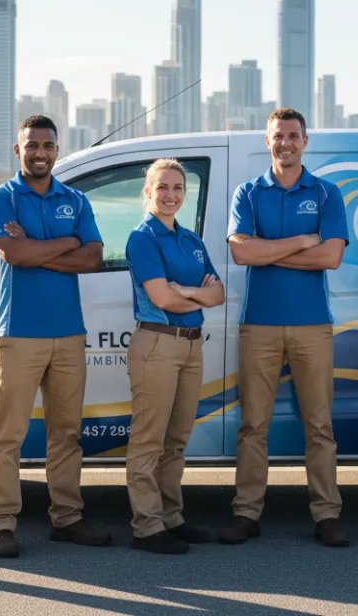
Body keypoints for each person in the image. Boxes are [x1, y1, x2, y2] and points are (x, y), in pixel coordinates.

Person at [219, 108, 351, 548]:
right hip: (259, 323)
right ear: (268, 140)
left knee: (319, 425)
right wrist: (299, 242)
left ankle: (327, 514)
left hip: (313, 325)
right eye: (278, 136)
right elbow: (241, 254)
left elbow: (330, 257)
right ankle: (246, 512)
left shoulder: (328, 194)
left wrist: (267, 251)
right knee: (253, 425)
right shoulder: (249, 193)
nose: (285, 143)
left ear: (305, 141)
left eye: (293, 136)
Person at [0, 114, 109, 559]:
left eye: (48, 145)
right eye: (31, 145)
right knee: (8, 434)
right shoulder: (1, 198)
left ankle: (67, 518)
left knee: (67, 433)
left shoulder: (74, 199)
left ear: (58, 150)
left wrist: (37, 250)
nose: (40, 152)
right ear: (19, 151)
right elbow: (12, 252)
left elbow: (93, 257)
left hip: (69, 334)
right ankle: (0, 523)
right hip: (18, 334)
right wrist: (63, 244)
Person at [123, 158, 225, 555]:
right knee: (149, 439)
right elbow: (161, 298)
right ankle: (147, 526)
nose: (170, 195)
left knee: (177, 439)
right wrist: (190, 292)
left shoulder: (191, 240)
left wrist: (186, 290)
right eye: (162, 187)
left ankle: (172, 516)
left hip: (191, 344)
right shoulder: (142, 237)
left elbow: (217, 295)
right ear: (148, 192)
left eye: (178, 188)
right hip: (158, 344)